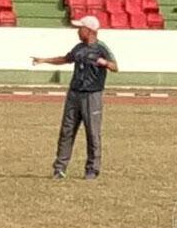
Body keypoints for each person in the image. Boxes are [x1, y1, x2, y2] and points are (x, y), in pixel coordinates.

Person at [31, 15, 118, 180]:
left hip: (92, 95)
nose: (78, 31)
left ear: (89, 30)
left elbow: (115, 66)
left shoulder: (101, 48)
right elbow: (65, 59)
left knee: (92, 133)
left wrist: (104, 63)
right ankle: (60, 168)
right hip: (74, 94)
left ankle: (92, 169)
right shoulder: (78, 48)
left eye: (81, 28)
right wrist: (44, 60)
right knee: (67, 131)